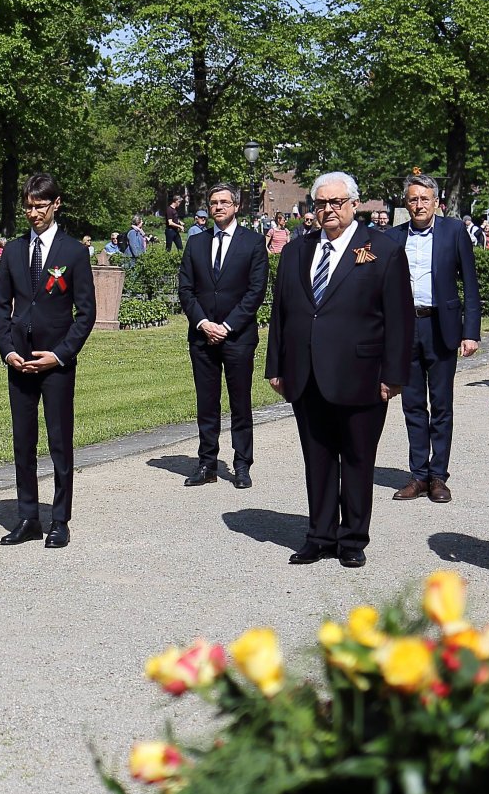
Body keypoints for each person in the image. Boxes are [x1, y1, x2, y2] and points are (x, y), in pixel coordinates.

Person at [264, 172, 413, 569]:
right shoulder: (296, 251)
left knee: (358, 460)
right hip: (306, 373)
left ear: (354, 205)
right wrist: (276, 365)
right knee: (318, 459)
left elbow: (399, 318)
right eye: (320, 203)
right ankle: (320, 535)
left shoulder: (382, 249)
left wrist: (394, 375)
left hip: (362, 374)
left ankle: (352, 539)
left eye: (336, 202)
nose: (328, 210)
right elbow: (281, 313)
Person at [0, 173, 96, 549]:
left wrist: (61, 354)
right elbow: (0, 306)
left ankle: (60, 519)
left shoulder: (73, 252)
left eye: (40, 206)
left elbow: (86, 313)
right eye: (28, 207)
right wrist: (8, 350)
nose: (33, 213)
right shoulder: (14, 251)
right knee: (23, 442)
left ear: (56, 204)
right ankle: (27, 517)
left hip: (56, 363)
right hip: (19, 361)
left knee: (59, 442)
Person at [389, 175, 482, 504]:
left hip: (441, 326)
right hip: (405, 328)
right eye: (413, 199)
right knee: (412, 404)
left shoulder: (453, 232)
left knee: (441, 404)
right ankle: (418, 475)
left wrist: (471, 332)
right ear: (406, 203)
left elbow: (470, 283)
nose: (419, 205)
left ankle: (438, 475)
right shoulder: (393, 237)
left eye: (424, 199)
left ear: (436, 202)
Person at [177, 182, 270, 490]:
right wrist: (203, 323)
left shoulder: (253, 242)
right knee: (207, 403)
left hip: (238, 337)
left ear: (236, 206)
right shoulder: (196, 243)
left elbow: (255, 291)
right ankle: (207, 463)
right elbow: (186, 289)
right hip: (202, 336)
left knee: (240, 402)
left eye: (224, 202)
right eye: (213, 202)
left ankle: (242, 464)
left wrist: (227, 326)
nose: (218, 207)